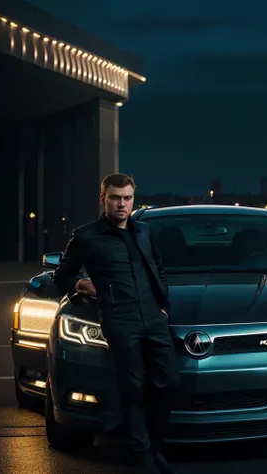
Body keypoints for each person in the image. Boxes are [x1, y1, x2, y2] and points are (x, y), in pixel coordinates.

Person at [53, 173, 179, 474]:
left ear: (133, 199)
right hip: (120, 320)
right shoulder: (86, 236)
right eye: (115, 198)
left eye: (127, 198)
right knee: (132, 387)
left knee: (168, 383)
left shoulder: (144, 232)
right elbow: (63, 276)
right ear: (103, 199)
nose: (122, 204)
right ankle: (143, 456)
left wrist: (163, 306)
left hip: (153, 318)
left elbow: (158, 268)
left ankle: (156, 447)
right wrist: (83, 283)